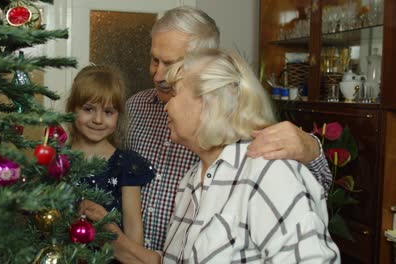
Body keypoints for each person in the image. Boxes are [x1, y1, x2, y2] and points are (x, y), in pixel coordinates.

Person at [81, 49, 340, 263]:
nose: (167, 104)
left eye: (175, 93)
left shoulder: (267, 172)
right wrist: (118, 242)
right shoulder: (191, 182)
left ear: (208, 102)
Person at [126, 5, 332, 251]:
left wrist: (311, 149)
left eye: (169, 64)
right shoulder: (134, 109)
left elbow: (302, 191)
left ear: (205, 65)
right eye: (154, 59)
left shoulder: (239, 126)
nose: (158, 74)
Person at [66, 65, 155, 245]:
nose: (98, 120)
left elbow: (133, 231)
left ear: (118, 115)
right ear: (72, 109)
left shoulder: (127, 165)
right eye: (88, 109)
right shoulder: (58, 161)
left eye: (108, 112)